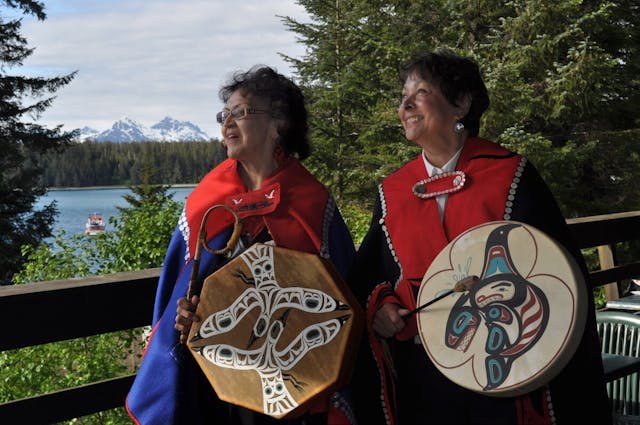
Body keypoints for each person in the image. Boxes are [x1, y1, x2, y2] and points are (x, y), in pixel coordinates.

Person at [348, 49, 612, 424]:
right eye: (402, 97)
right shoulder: (392, 191)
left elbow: (559, 274)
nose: (405, 104)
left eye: (420, 92)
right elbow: (370, 275)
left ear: (461, 105)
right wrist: (384, 306)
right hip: (422, 376)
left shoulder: (510, 175)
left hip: (504, 367)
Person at [126, 66, 358, 425]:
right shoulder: (205, 202)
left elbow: (343, 303)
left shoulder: (312, 202)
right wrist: (185, 316)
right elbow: (179, 293)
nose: (227, 124)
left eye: (241, 112)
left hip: (295, 385)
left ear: (278, 123)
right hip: (216, 382)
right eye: (225, 114)